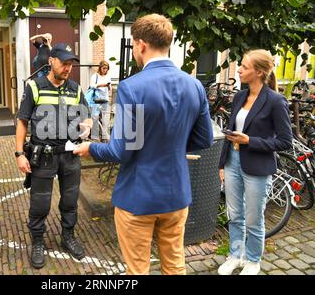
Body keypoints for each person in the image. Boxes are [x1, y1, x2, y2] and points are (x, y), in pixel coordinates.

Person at [73, 14, 213, 275]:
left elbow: (120, 150)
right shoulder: (195, 86)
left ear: (140, 45)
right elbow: (204, 139)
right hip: (176, 196)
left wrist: (90, 148)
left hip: (139, 197)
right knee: (175, 266)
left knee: (137, 270)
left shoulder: (131, 87)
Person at [16, 43, 92, 269]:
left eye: (71, 64)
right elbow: (22, 121)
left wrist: (87, 125)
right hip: (43, 155)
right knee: (40, 202)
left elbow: (86, 115)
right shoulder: (34, 87)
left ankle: (67, 236)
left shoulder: (75, 89)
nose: (68, 68)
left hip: (70, 155)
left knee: (70, 200)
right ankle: (38, 241)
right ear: (51, 61)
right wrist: (20, 153)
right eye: (64, 63)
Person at [217, 49, 292, 275]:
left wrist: (251, 141)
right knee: (235, 214)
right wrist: (222, 164)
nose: (238, 69)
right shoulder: (240, 96)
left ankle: (252, 260)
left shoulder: (276, 101)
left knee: (253, 217)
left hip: (257, 166)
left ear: (259, 73)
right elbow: (231, 134)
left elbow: (284, 141)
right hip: (232, 161)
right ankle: (235, 255)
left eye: (244, 67)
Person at [89, 60, 111, 141]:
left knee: (106, 118)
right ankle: (95, 136)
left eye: (106, 68)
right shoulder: (95, 76)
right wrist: (101, 85)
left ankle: (104, 136)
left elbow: (110, 88)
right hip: (96, 100)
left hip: (105, 99)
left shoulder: (108, 76)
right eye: (104, 68)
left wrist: (108, 86)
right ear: (100, 68)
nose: (105, 70)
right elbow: (91, 86)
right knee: (95, 117)